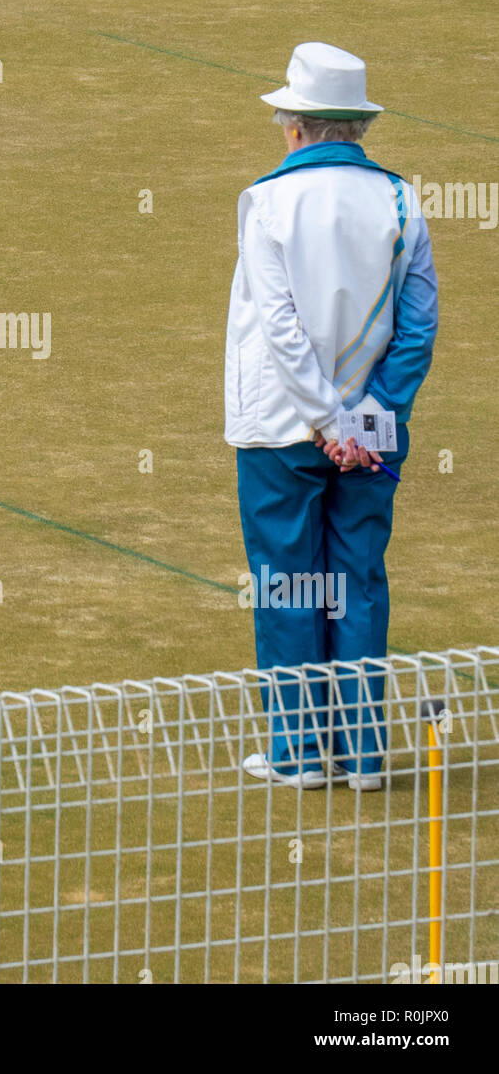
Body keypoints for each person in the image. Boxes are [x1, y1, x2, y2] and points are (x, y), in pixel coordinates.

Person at [224, 42, 438, 789]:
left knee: (287, 581)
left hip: (283, 428)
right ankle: (363, 755)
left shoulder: (267, 201)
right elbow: (417, 327)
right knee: (358, 579)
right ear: (357, 124)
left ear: (296, 125)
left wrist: (325, 420)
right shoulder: (402, 200)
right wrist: (368, 415)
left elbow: (279, 326)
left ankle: (297, 755)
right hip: (371, 431)